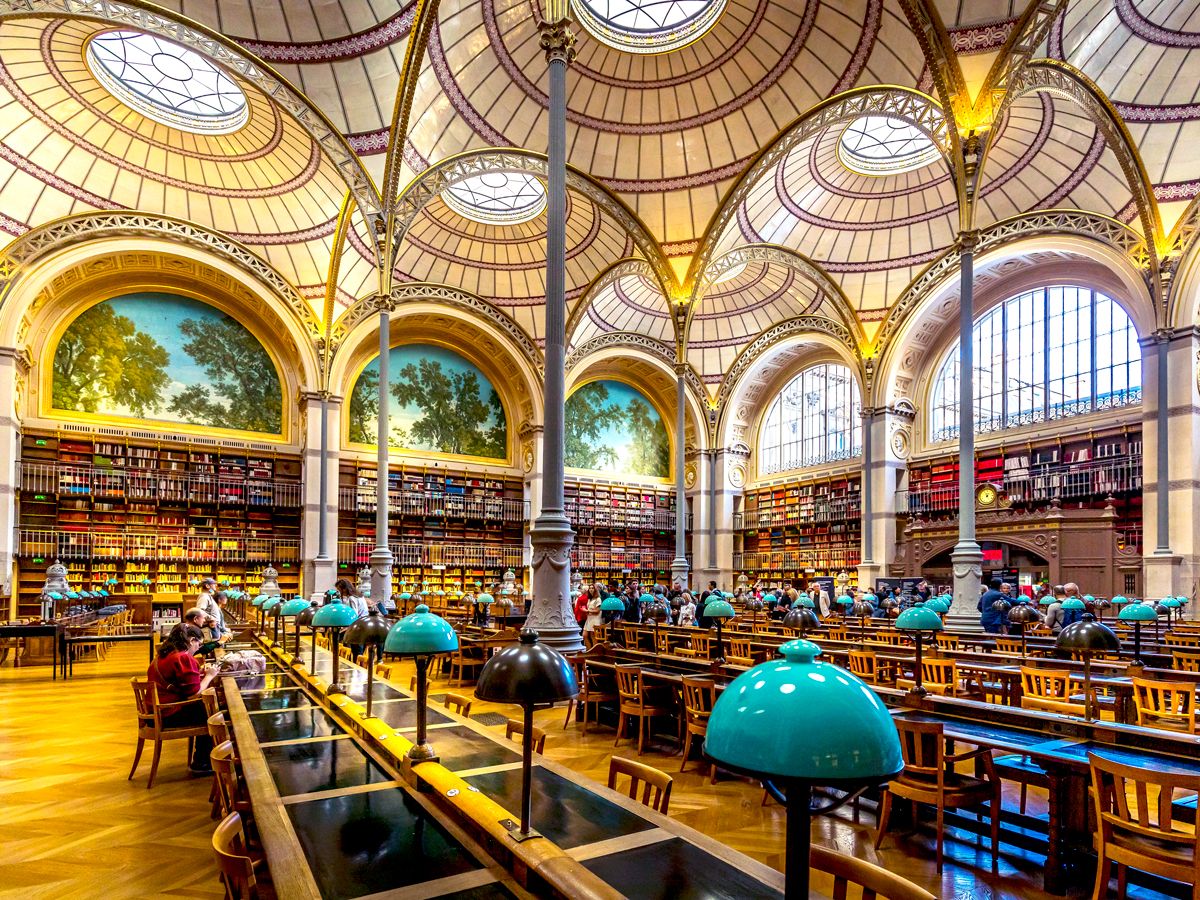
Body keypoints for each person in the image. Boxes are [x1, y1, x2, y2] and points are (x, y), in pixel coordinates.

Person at [147, 624, 218, 774]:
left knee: (206, 708)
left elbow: (182, 682)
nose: (198, 648)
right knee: (213, 713)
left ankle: (204, 759)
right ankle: (202, 762)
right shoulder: (183, 657)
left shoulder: (164, 655)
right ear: (191, 640)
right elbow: (194, 693)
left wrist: (200, 674)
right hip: (167, 714)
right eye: (199, 644)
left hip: (154, 713)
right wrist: (210, 676)